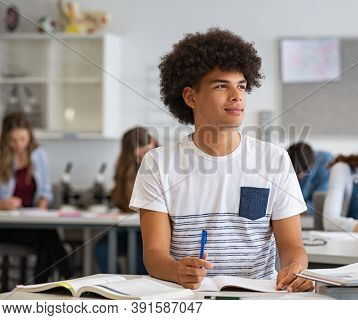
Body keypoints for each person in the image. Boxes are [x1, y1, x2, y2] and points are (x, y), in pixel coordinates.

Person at [130, 28, 313, 292]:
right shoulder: (158, 163)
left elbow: (293, 246)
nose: (236, 95)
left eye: (241, 86)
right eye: (221, 86)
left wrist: (296, 267)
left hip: (258, 298)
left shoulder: (274, 159)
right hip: (190, 298)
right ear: (191, 97)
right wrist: (177, 270)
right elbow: (154, 254)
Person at [0, 112, 71, 283]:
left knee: (46, 242)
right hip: (6, 226)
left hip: (31, 223)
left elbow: (45, 191)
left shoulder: (39, 154)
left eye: (22, 139)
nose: (18, 145)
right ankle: (67, 277)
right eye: (13, 140)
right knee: (49, 237)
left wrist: (41, 207)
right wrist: (3, 204)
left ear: (29, 135)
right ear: (5, 138)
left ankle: (39, 288)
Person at [95, 127, 157, 274]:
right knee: (102, 249)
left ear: (153, 144)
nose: (141, 156)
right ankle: (115, 287)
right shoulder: (126, 169)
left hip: (152, 227)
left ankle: (140, 293)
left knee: (140, 254)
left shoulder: (162, 163)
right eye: (137, 153)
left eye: (145, 150)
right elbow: (123, 202)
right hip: (130, 228)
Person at [287, 141, 333, 213]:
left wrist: (293, 209)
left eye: (297, 173)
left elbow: (319, 204)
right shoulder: (286, 160)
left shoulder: (326, 163)